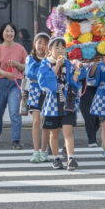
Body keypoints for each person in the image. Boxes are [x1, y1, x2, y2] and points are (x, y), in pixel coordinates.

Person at [37, 37, 81, 171]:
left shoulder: (68, 64)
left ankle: (71, 158)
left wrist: (77, 70)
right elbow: (44, 84)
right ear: (50, 49)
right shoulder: (45, 63)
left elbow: (73, 83)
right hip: (51, 103)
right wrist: (56, 66)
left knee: (68, 131)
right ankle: (56, 158)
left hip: (67, 102)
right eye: (56, 47)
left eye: (62, 48)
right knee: (54, 133)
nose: (60, 50)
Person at [0, 22, 27, 149]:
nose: (9, 33)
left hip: (15, 84)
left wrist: (17, 64)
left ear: (14, 33)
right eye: (7, 31)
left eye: (11, 31)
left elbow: (26, 67)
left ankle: (16, 140)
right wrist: (6, 74)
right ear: (2, 33)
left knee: (15, 112)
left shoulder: (20, 48)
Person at [25, 33, 51, 163]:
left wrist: (47, 61)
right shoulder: (30, 58)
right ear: (34, 44)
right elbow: (31, 74)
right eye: (39, 42)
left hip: (47, 92)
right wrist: (44, 64)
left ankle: (44, 150)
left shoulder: (51, 59)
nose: (42, 46)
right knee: (36, 121)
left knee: (46, 122)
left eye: (45, 43)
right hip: (35, 90)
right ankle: (35, 151)